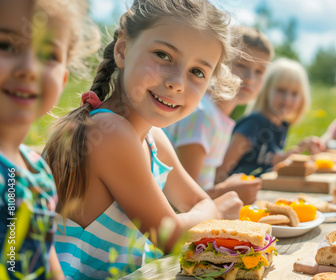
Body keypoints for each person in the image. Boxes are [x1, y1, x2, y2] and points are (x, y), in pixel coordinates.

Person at [42, 0, 242, 278]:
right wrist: (216, 212)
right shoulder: (109, 133)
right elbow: (170, 237)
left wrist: (206, 209)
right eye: (163, 55)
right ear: (123, 50)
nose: (177, 83)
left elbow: (196, 202)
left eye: (197, 72)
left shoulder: (153, 139)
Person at [0, 0, 99, 279]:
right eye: (6, 46)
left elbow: (47, 260)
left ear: (64, 77)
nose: (29, 69)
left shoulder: (39, 172)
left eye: (48, 55)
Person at [163, 26, 273, 204]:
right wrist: (226, 191)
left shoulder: (218, 116)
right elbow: (179, 200)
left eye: (259, 71)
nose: (251, 78)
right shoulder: (201, 115)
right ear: (217, 64)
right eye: (241, 65)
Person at [216, 58, 311, 180]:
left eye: (294, 93)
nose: (287, 99)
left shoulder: (282, 125)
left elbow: (268, 162)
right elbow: (220, 172)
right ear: (266, 90)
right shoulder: (253, 124)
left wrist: (299, 150)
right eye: (281, 90)